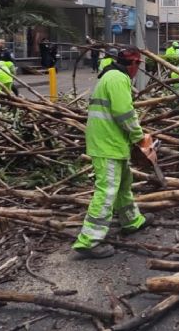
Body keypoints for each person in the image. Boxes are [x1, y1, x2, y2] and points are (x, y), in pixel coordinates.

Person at [73, 47, 154, 259]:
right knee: (107, 190)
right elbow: (124, 113)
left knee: (123, 185)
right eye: (139, 65)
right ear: (134, 64)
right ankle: (89, 240)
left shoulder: (111, 75)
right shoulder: (118, 78)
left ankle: (132, 221)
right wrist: (140, 137)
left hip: (112, 143)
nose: (138, 70)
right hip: (107, 144)